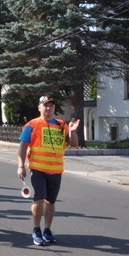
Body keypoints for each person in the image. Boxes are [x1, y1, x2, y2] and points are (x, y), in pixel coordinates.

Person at [17, 95, 80, 245]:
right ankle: (36, 229)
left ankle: (47, 230)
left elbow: (74, 144)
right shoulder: (31, 125)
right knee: (38, 199)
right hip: (38, 169)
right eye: (45, 105)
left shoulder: (61, 125)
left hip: (56, 170)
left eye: (51, 105)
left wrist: (71, 131)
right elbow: (23, 146)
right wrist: (20, 165)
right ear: (39, 107)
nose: (48, 108)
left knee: (50, 202)